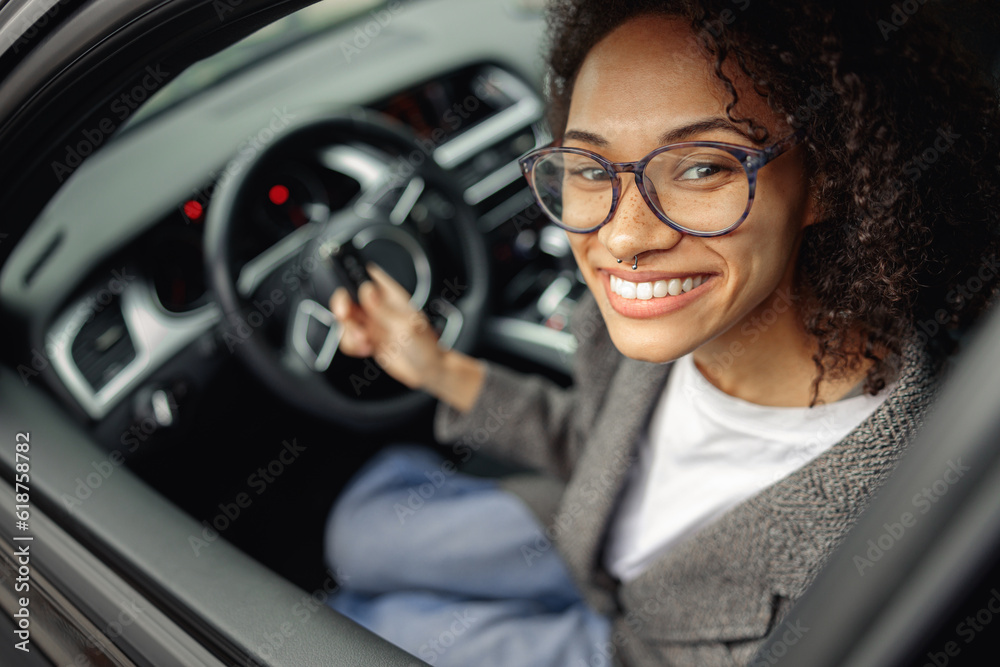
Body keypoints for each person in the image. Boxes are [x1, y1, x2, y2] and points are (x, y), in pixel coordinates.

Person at [323, 0, 1000, 665]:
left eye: (702, 166)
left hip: (631, 648)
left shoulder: (893, 523)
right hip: (586, 534)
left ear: (827, 177)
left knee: (356, 627)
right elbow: (595, 440)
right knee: (352, 534)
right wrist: (434, 365)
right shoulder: (648, 320)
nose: (622, 237)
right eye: (591, 168)